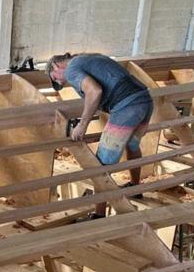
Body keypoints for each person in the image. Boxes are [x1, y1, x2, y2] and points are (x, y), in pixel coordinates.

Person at [48, 52, 153, 217]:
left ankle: (98, 215)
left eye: (54, 78)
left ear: (56, 65)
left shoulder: (71, 68)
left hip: (127, 106)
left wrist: (82, 125)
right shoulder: (91, 58)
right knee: (132, 145)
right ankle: (135, 187)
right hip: (144, 100)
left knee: (100, 166)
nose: (60, 82)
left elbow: (95, 92)